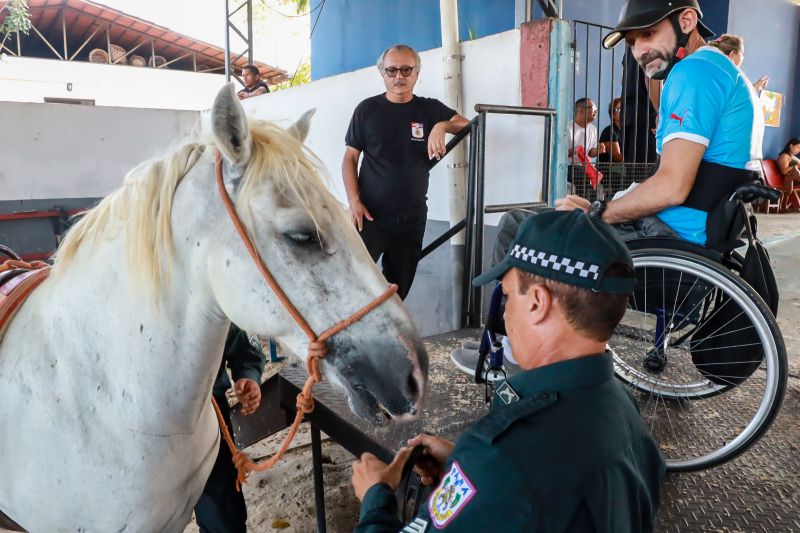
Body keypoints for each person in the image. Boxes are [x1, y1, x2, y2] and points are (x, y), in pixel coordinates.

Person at [350, 210, 666, 532]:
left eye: (508, 294)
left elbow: (518, 476)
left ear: (537, 303)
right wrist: (468, 466)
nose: (506, 310)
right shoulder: (624, 408)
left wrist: (377, 498)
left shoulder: (500, 456)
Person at [558, 0, 764, 247]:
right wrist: (600, 207)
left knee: (524, 227)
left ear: (686, 22)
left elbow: (671, 187)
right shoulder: (719, 70)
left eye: (648, 34)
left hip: (672, 231)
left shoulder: (693, 73)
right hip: (697, 225)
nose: (639, 52)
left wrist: (598, 212)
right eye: (632, 42)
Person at [342, 44, 469, 299]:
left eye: (406, 69)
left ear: (416, 72)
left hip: (411, 220)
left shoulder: (428, 109)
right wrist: (354, 201)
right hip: (368, 218)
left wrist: (441, 126)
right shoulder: (367, 110)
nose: (399, 76)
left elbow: (466, 124)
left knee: (397, 292)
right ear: (383, 74)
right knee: (352, 286)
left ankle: (385, 339)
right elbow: (349, 159)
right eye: (391, 70)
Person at [194, 324, 266, 533]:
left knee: (222, 512)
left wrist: (248, 374)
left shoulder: (212, 293)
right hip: (142, 420)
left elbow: (242, 342)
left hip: (208, 413)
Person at [567, 98, 604, 163]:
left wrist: (598, 150)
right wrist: (575, 151)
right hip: (570, 167)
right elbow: (561, 153)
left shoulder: (593, 129)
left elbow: (590, 152)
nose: (596, 111)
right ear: (582, 110)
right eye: (593, 108)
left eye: (596, 109)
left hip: (585, 168)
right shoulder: (568, 128)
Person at [599, 97, 624, 163]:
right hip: (610, 171)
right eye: (619, 109)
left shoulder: (629, 131)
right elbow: (617, 157)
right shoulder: (609, 131)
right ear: (613, 115)